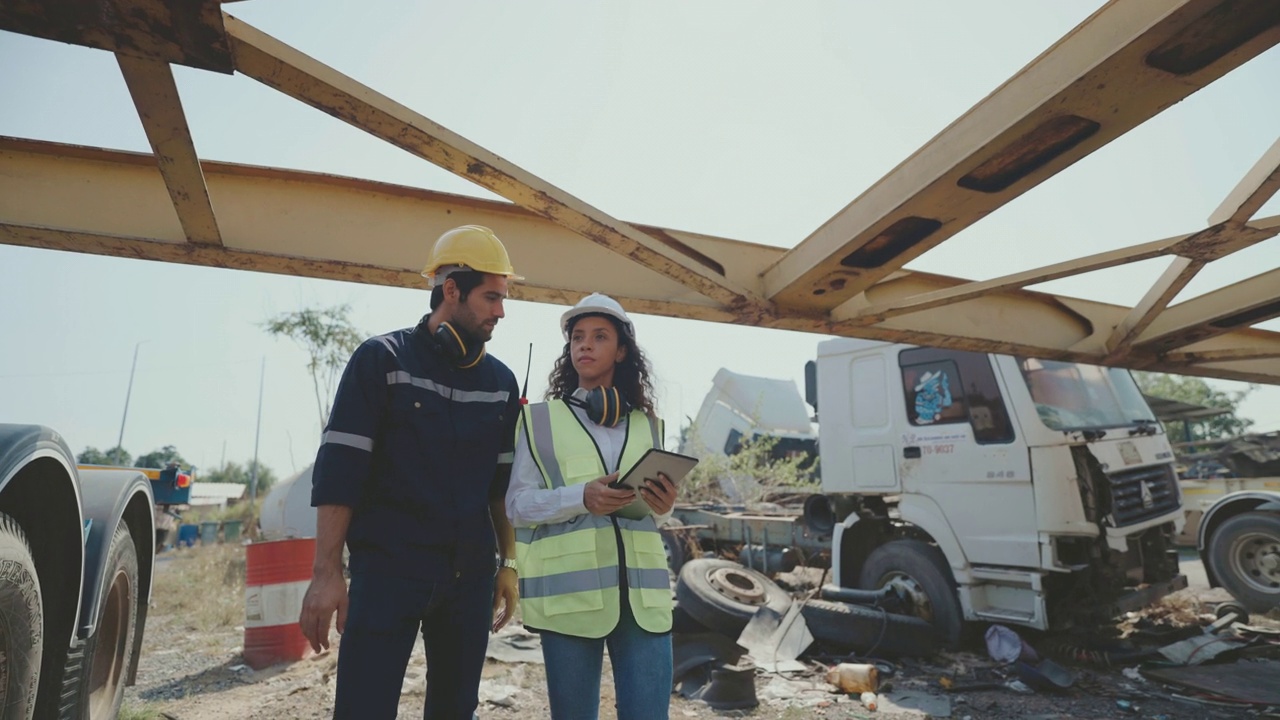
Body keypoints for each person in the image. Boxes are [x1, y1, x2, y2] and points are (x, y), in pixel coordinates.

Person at [298, 225, 523, 720]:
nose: (501, 311)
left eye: (503, 298)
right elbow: (341, 470)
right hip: (388, 574)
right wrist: (326, 573)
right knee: (363, 709)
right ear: (451, 290)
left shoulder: (502, 383)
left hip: (469, 581)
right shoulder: (381, 359)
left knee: (454, 711)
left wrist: (507, 563)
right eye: (491, 297)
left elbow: (501, 489)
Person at [505, 293, 677, 720]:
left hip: (644, 604)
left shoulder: (648, 425)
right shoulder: (539, 421)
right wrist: (581, 497)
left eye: (599, 336)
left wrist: (666, 504)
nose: (585, 344)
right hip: (571, 606)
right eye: (577, 337)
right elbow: (517, 506)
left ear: (621, 351)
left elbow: (655, 510)